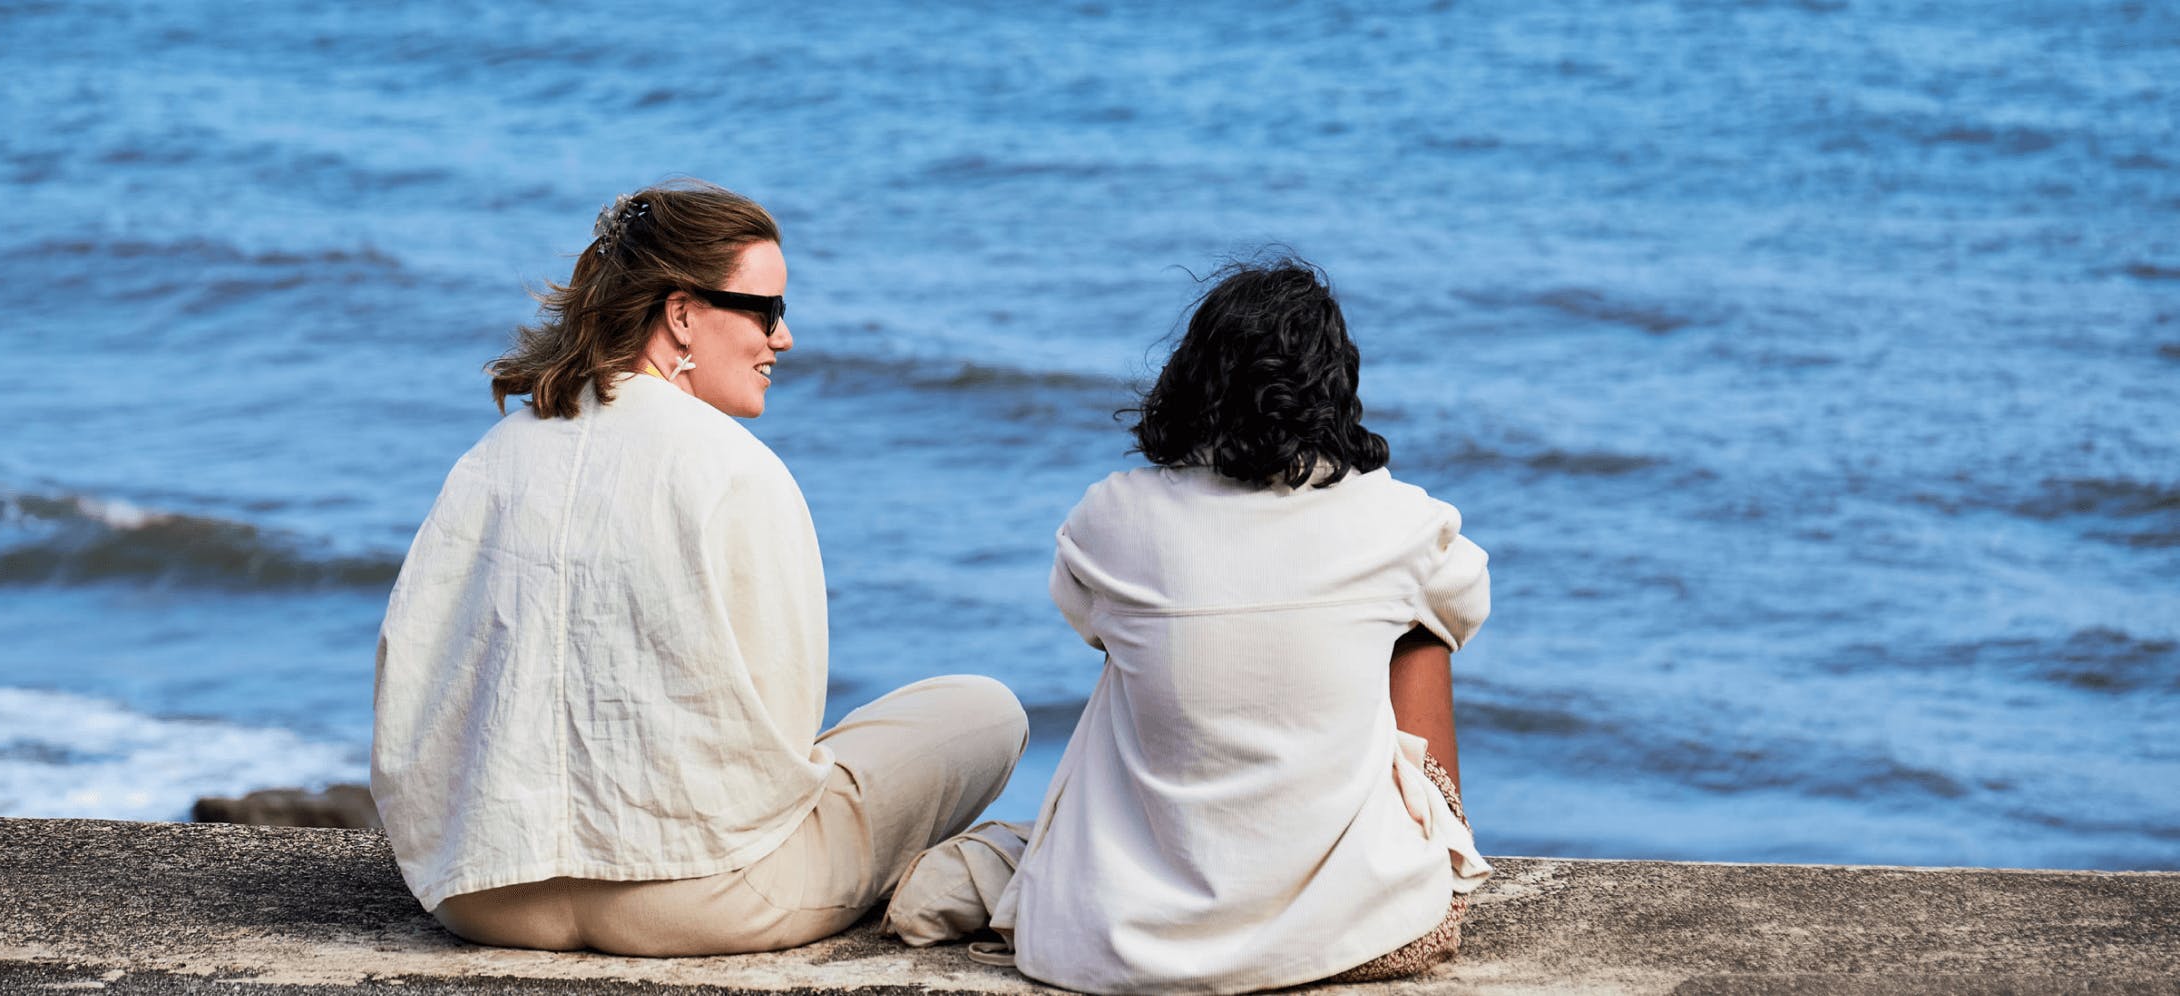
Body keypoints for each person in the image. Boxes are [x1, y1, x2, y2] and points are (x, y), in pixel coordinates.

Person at [370, 179, 1028, 956]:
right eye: (767, 311)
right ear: (681, 312)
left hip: (484, 895)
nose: (782, 339)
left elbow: (410, 686)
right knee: (987, 710)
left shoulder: (492, 459)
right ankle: (978, 875)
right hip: (705, 901)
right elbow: (780, 742)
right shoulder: (735, 469)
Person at [988, 258, 1494, 992]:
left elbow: (1083, 617)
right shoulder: (1400, 523)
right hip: (1362, 932)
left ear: (1194, 376)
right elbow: (1464, 601)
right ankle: (1440, 856)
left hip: (1114, 944)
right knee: (1421, 626)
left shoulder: (1111, 516)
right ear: (1335, 386)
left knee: (1131, 637)